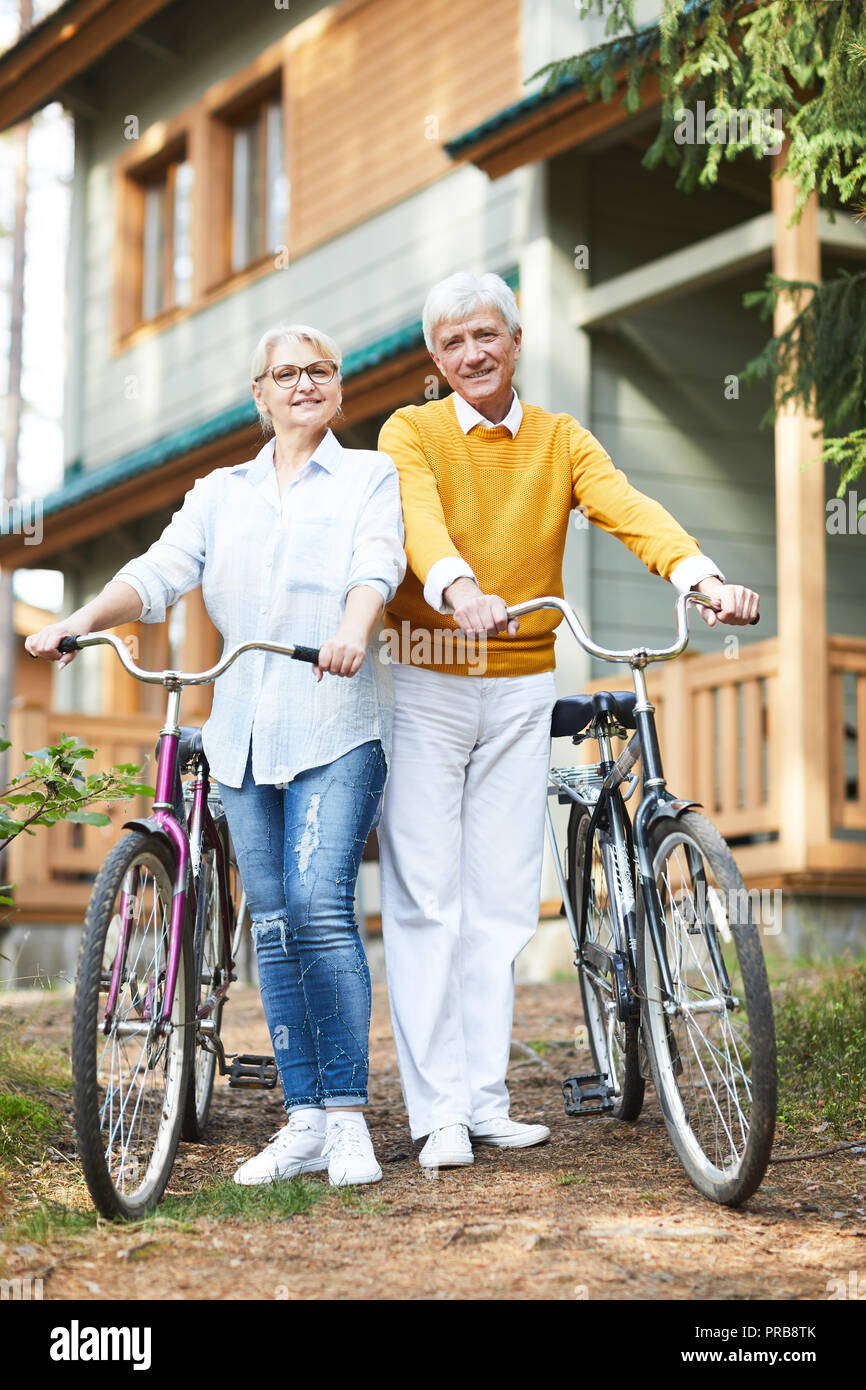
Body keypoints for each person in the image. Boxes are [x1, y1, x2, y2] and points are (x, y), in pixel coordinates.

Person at [377, 270, 760, 1169]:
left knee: (504, 898)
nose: (472, 353)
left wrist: (698, 577)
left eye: (487, 336)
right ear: (436, 358)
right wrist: (457, 588)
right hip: (431, 677)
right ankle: (437, 1112)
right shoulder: (413, 431)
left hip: (519, 683)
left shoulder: (560, 439)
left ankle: (484, 1098)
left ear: (515, 342)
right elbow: (416, 522)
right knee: (428, 897)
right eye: (452, 342)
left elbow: (628, 508)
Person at [26, 324, 406, 1188]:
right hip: (241, 733)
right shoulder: (219, 492)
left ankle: (348, 1118)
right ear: (260, 395)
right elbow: (161, 571)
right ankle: (302, 1119)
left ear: (338, 389)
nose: (305, 384)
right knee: (269, 923)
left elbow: (376, 562)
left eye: (321, 370)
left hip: (336, 723)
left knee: (317, 908)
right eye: (286, 373)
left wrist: (353, 630)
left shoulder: (367, 474)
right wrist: (80, 623)